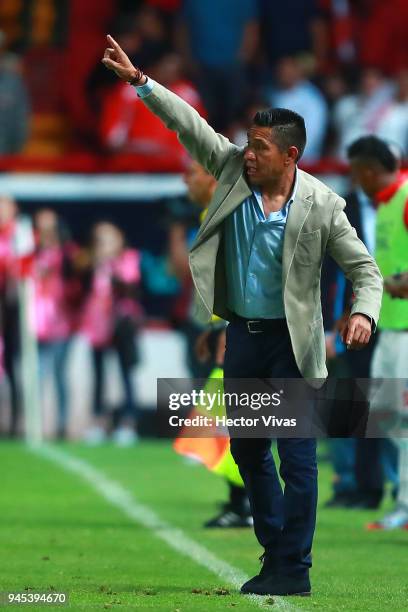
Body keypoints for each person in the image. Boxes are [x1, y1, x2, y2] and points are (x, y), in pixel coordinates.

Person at [101, 34, 383, 597]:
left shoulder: (324, 204)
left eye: (259, 147)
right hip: (244, 339)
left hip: (292, 344)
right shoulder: (230, 170)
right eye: (247, 144)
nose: (247, 153)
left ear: (290, 155)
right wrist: (141, 83)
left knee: (298, 459)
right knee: (250, 451)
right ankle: (274, 549)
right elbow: (189, 124)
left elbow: (366, 271)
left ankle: (294, 569)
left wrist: (363, 315)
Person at [170, 161, 251, 528]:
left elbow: (241, 273)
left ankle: (247, 503)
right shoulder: (209, 213)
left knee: (231, 423)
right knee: (224, 423)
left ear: (213, 178)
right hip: (220, 330)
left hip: (235, 334)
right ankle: (242, 503)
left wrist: (227, 332)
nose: (186, 180)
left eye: (193, 173)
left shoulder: (227, 213)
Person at [347, 135, 408, 530]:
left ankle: (405, 505)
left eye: (356, 174)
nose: (356, 182)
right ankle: (403, 500)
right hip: (391, 328)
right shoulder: (388, 204)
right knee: (388, 419)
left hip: (407, 332)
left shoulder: (404, 198)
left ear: (367, 170)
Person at [80, 222, 142, 446]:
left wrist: (112, 265)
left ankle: (128, 422)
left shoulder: (128, 259)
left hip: (121, 325)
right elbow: (80, 287)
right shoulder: (90, 263)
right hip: (97, 325)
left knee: (125, 374)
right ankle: (98, 422)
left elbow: (131, 286)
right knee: (98, 375)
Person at [32, 209, 80, 439]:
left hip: (62, 322)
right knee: (38, 374)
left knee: (60, 374)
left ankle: (62, 423)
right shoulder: (32, 253)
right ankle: (35, 423)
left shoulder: (68, 254)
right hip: (37, 322)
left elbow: (79, 283)